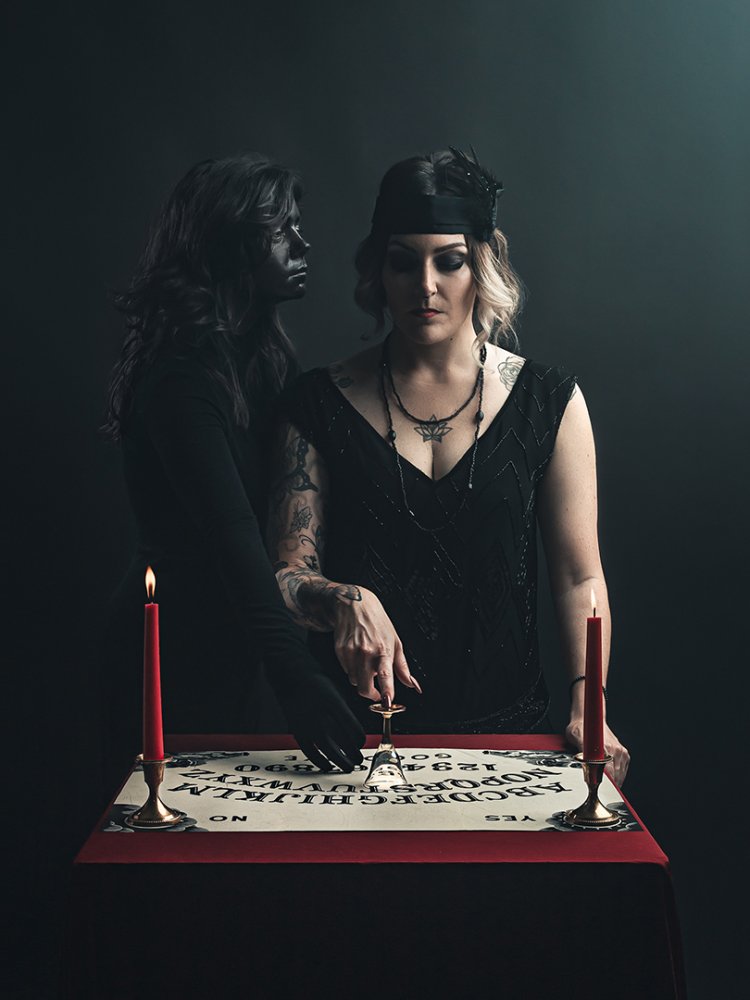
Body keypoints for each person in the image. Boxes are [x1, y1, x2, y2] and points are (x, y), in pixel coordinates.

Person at [271, 148, 629, 785]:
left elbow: (580, 578)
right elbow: (286, 576)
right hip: (348, 751)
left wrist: (588, 703)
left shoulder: (548, 402)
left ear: (482, 264)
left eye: (449, 261)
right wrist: (343, 598)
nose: (426, 285)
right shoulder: (317, 404)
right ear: (378, 271)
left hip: (509, 746)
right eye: (403, 262)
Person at [102, 153, 364, 782]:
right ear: (229, 245)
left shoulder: (262, 362)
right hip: (169, 656)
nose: (302, 243)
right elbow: (232, 532)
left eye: (298, 224)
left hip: (237, 647)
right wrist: (296, 675)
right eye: (279, 230)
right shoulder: (181, 379)